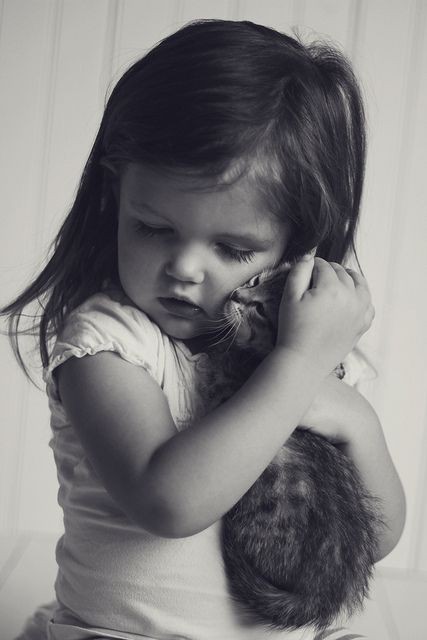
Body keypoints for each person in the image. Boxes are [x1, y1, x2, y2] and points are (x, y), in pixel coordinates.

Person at [2, 18, 405, 640]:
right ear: (116, 200)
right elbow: (171, 502)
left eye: (233, 248)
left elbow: (374, 539)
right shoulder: (109, 344)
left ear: (295, 248)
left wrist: (357, 418)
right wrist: (294, 370)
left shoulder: (301, 347)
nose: (186, 269)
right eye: (154, 228)